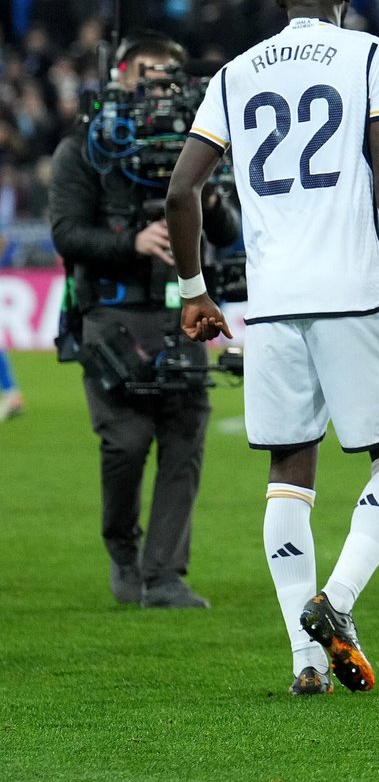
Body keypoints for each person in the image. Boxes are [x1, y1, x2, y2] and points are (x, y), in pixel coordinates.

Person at [164, 0, 379, 696]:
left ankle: (304, 658)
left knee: (289, 471)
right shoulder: (370, 57)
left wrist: (195, 290)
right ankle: (340, 600)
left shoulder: (231, 75)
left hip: (274, 302)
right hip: (355, 289)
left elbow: (180, 191)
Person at [49, 32, 239, 609]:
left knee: (185, 439)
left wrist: (204, 206)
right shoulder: (84, 148)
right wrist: (132, 241)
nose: (160, 88)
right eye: (150, 73)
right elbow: (66, 234)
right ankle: (124, 554)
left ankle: (165, 575)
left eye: (170, 77)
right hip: (112, 314)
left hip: (184, 312)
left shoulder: (196, 145)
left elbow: (228, 233)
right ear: (122, 75)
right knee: (126, 444)